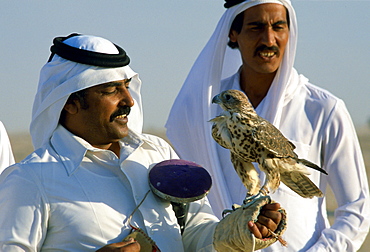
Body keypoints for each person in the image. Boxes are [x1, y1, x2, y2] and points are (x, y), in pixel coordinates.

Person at [0, 33, 284, 251]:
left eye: (127, 86)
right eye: (112, 90)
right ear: (71, 103)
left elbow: (197, 233)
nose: (129, 100)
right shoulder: (29, 179)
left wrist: (241, 231)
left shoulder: (156, 153)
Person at [166, 0, 370, 251]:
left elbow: (356, 209)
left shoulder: (324, 109)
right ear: (233, 33)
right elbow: (183, 205)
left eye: (278, 27)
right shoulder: (198, 108)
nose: (269, 39)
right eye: (256, 27)